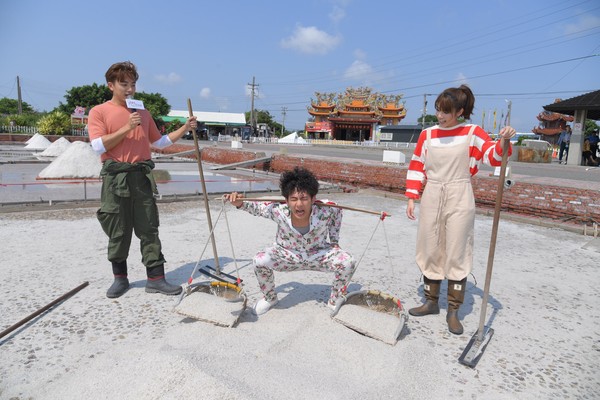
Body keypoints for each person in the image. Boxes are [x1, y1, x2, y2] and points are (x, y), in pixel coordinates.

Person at [405, 84, 516, 335]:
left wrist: (503, 140)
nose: (440, 116)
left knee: (457, 247)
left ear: (460, 111)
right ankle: (431, 301)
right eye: (438, 110)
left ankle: (454, 310)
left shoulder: (472, 132)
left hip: (460, 192)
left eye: (446, 111)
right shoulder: (428, 134)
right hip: (432, 192)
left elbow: (493, 157)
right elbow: (417, 165)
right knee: (429, 245)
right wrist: (412, 196)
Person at [88, 61, 197, 298]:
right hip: (115, 178)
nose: (129, 89)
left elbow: (159, 143)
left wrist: (185, 128)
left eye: (133, 84)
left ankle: (156, 279)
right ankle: (120, 279)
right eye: (123, 83)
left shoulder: (143, 112)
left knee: (149, 227)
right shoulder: (99, 111)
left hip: (142, 176)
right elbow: (97, 145)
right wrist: (127, 127)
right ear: (111, 85)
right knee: (118, 228)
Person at [224, 167, 356, 315]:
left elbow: (338, 213)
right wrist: (239, 203)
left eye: (304, 198)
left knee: (348, 262)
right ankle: (270, 298)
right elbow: (256, 207)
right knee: (259, 260)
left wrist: (334, 241)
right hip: (287, 254)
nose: (299, 204)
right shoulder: (278, 210)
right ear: (286, 200)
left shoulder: (327, 209)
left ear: (313, 199)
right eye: (293, 199)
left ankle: (335, 299)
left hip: (318, 254)